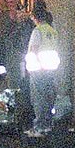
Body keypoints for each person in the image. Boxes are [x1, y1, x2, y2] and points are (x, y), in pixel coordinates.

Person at [24, 7, 60, 137]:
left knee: (38, 98)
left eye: (32, 17)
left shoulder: (37, 31)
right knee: (48, 97)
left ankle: (39, 127)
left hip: (38, 69)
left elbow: (34, 49)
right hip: (50, 69)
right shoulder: (52, 31)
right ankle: (48, 124)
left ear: (35, 17)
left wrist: (30, 65)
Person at [8, 3, 36, 131]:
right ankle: (22, 115)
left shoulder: (31, 26)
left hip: (29, 60)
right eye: (18, 12)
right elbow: (10, 39)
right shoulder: (16, 26)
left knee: (27, 86)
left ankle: (27, 114)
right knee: (20, 86)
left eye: (22, 12)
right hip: (20, 59)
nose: (20, 15)